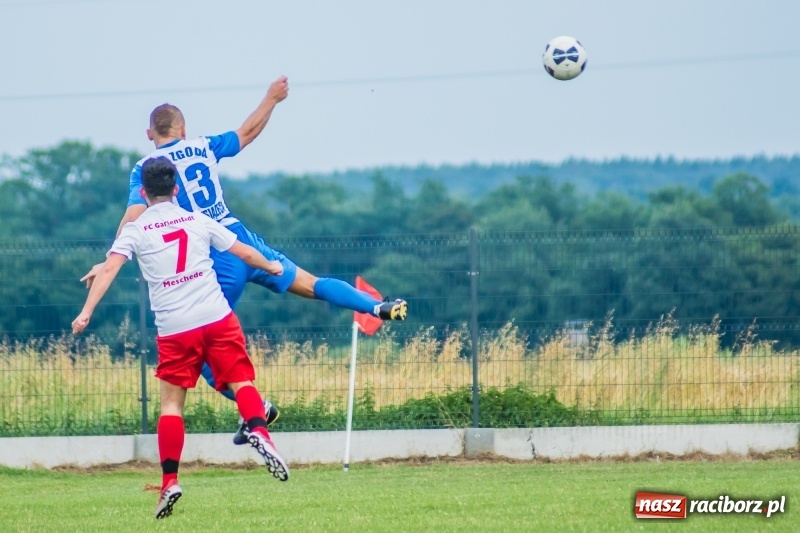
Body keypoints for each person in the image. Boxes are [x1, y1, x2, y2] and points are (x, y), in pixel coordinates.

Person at [81, 75, 408, 443]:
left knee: (203, 353)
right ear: (183, 129)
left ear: (149, 134)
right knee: (313, 284)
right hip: (244, 241)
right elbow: (247, 132)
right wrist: (271, 98)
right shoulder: (203, 146)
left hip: (214, 258)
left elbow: (134, 214)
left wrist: (108, 256)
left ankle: (258, 409)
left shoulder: (147, 168)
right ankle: (378, 307)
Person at [72, 157, 290, 520]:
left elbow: (109, 268)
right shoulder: (197, 219)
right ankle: (260, 433)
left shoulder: (136, 229)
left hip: (175, 327)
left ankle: (170, 481)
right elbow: (244, 251)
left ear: (143, 192)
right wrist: (272, 266)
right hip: (216, 316)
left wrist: (86, 312)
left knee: (172, 405)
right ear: (176, 189)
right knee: (241, 381)